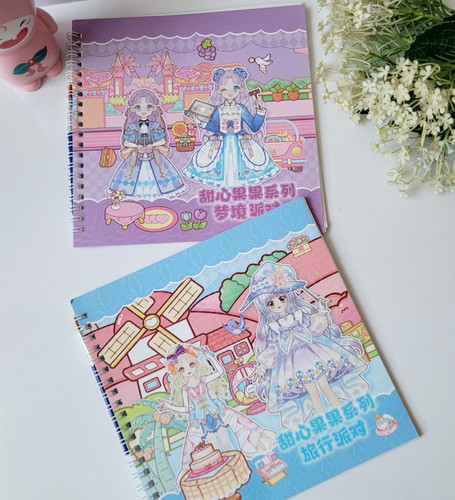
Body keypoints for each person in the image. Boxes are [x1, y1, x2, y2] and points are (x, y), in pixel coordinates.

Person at [240, 261, 370, 429]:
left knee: (326, 387)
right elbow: (273, 349)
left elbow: (315, 329)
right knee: (314, 395)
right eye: (270, 303)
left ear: (289, 296)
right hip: (294, 364)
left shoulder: (300, 314)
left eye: (281, 298)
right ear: (265, 308)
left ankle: (345, 416)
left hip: (315, 353)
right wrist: (262, 366)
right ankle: (326, 425)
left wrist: (322, 311)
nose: (278, 304)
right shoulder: (272, 328)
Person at [157, 343, 276, 474]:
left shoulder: (202, 379)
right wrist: (169, 406)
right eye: (182, 369)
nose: (188, 370)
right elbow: (186, 408)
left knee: (226, 443)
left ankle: (240, 469)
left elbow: (220, 371)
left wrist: (210, 357)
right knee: (215, 450)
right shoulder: (185, 389)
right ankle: (228, 473)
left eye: (191, 364)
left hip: (215, 412)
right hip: (201, 419)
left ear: (196, 364)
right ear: (178, 372)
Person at [182, 67, 280, 188]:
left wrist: (260, 111)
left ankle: (237, 190)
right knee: (209, 161)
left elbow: (254, 127)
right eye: (224, 89)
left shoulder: (241, 109)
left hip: (242, 141)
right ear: (218, 90)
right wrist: (199, 121)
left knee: (251, 160)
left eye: (235, 88)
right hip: (219, 141)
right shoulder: (218, 109)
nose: (230, 92)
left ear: (241, 89)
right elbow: (214, 127)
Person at [109, 88, 187, 200]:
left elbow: (162, 140)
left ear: (154, 108)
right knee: (130, 174)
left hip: (154, 154)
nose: (143, 111)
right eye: (138, 107)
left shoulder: (155, 125)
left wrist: (153, 145)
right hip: (136, 155)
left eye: (148, 107)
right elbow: (126, 142)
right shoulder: (132, 126)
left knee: (161, 172)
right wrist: (137, 146)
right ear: (132, 109)